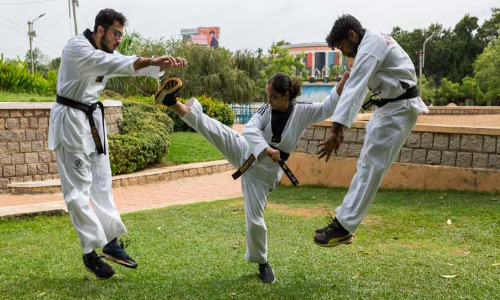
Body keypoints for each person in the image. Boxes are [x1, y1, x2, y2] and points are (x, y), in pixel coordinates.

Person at [154, 71, 350, 283]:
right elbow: (250, 129)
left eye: (273, 96)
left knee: (255, 221)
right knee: (213, 128)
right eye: (267, 96)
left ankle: (262, 263)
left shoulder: (302, 111)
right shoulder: (267, 109)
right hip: (245, 152)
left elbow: (328, 106)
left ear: (286, 95)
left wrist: (345, 79)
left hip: (261, 176)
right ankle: (171, 102)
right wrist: (266, 148)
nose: (269, 101)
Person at [48, 8, 187, 279]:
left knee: (102, 184)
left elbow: (121, 62)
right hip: (70, 121)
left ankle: (111, 243)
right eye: (116, 34)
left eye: (121, 35)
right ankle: (90, 252)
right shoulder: (77, 48)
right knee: (77, 190)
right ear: (100, 30)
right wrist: (151, 60)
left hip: (92, 120)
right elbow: (114, 64)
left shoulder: (106, 52)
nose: (119, 40)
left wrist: (160, 65)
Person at [313, 14, 429, 247]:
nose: (345, 53)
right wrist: (341, 126)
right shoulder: (370, 45)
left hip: (399, 109)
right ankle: (342, 220)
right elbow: (357, 86)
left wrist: (336, 131)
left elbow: (355, 88)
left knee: (371, 167)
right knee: (367, 165)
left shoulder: (370, 46)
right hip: (391, 107)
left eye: (343, 47)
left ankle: (344, 227)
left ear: (352, 35)